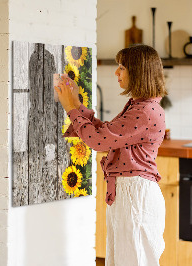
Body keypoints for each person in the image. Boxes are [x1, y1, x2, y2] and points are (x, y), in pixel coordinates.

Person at [54, 44, 167, 266]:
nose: (116, 72)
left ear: (138, 71)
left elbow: (98, 141)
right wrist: (76, 104)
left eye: (122, 67)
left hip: (135, 195)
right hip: (129, 193)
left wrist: (70, 108)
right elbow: (106, 133)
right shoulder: (140, 106)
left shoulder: (144, 111)